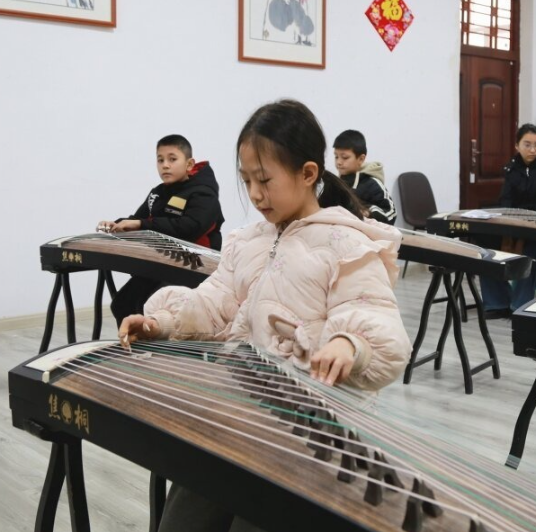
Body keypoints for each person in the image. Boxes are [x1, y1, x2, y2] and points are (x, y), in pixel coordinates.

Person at [119, 99, 411, 532]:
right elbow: (215, 303)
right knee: (184, 515)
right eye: (246, 180)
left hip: (313, 431)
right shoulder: (249, 242)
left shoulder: (347, 244)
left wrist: (349, 343)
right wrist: (161, 322)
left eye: (265, 180)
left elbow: (374, 317)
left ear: (308, 174)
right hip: (245, 411)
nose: (255, 194)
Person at [97, 134, 224, 326]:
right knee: (122, 305)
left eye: (172, 159)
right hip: (161, 263)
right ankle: (133, 344)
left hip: (194, 267)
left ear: (189, 164)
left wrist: (141, 224)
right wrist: (117, 225)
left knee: (154, 307)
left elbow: (189, 228)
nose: (165, 165)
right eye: (160, 160)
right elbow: (138, 219)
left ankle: (155, 344)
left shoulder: (204, 194)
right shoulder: (157, 193)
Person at [480, 123, 536, 318]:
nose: (533, 150)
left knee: (535, 246)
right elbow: (505, 201)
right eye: (527, 145)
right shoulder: (512, 168)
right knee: (485, 246)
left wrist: (524, 221)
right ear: (517, 146)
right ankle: (497, 302)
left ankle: (519, 304)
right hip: (514, 227)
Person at [333, 129, 397, 224]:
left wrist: (368, 212)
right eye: (336, 157)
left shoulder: (372, 184)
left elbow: (391, 214)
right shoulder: (335, 183)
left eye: (345, 157)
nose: (338, 162)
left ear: (361, 159)